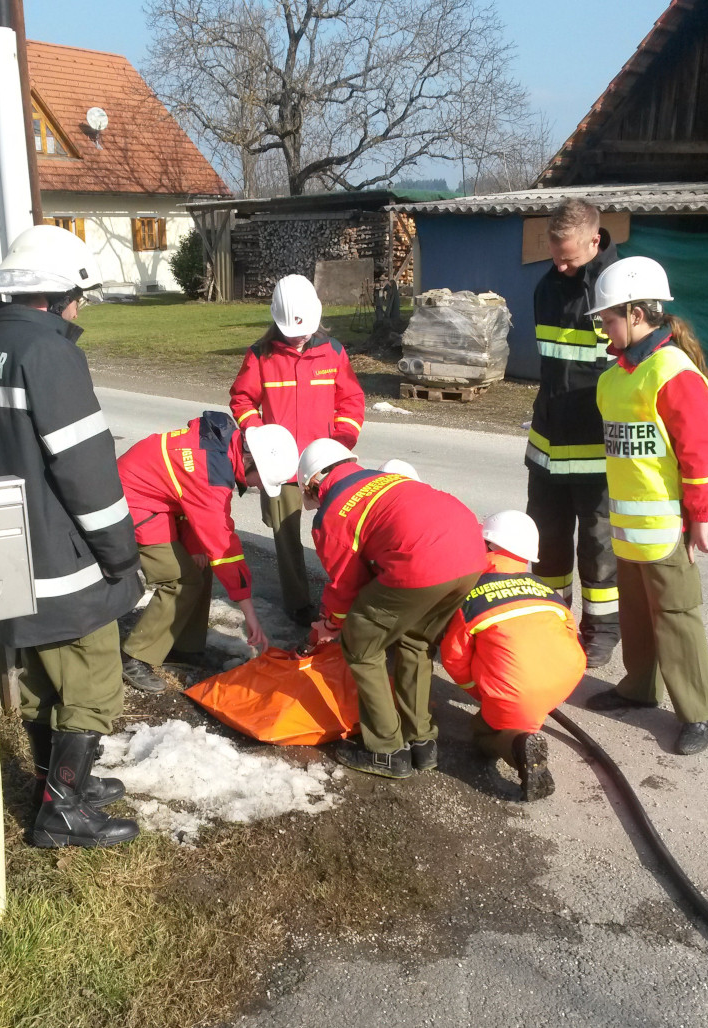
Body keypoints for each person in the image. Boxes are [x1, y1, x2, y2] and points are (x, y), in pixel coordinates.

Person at [0, 224, 141, 849]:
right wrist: (121, 554)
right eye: (77, 296)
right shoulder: (50, 355)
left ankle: (54, 788)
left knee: (38, 679)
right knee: (93, 681)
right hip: (65, 561)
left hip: (8, 557)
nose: (80, 308)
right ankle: (63, 811)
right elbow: (85, 470)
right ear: (53, 295)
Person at [584, 256, 708, 756]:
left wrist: (699, 518)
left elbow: (700, 455)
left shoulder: (672, 372)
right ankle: (638, 688)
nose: (604, 329)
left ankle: (698, 713)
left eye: (608, 319)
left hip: (666, 527)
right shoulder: (615, 377)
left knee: (676, 617)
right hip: (626, 525)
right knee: (637, 614)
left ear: (636, 314)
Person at [299, 439, 487, 779]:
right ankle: (422, 741)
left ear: (313, 482)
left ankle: (386, 751)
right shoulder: (386, 479)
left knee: (361, 644)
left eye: (309, 493)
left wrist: (331, 625)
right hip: (471, 555)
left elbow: (345, 586)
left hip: (421, 565)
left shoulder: (332, 516)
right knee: (414, 641)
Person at [117, 415, 298, 692]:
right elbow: (224, 548)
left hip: (165, 501)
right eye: (261, 479)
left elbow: (193, 503)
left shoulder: (222, 448)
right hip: (135, 501)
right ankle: (134, 657)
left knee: (200, 566)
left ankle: (184, 647)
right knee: (180, 580)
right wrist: (249, 615)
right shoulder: (210, 473)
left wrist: (196, 546)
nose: (259, 487)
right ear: (250, 459)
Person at [230, 275, 365, 627]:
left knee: (336, 532)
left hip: (325, 462)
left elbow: (351, 400)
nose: (299, 336)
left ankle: (344, 600)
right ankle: (298, 603)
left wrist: (342, 442)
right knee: (285, 535)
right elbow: (242, 400)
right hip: (281, 466)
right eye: (291, 331)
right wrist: (259, 436)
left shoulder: (333, 351)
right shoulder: (260, 355)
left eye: (303, 330)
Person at [526, 199, 620, 669]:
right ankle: (553, 623)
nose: (560, 266)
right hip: (548, 444)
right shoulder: (546, 288)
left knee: (599, 547)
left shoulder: (618, 292)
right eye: (554, 255)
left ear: (594, 240)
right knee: (547, 544)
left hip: (596, 446)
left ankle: (600, 633)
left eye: (569, 258)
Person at [440, 511, 586, 800]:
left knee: (481, 732)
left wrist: (481, 692)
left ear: (488, 546)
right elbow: (570, 632)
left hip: (517, 689)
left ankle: (517, 746)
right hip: (566, 678)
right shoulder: (545, 589)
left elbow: (454, 657)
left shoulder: (473, 593)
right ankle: (529, 713)